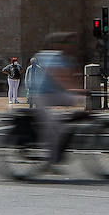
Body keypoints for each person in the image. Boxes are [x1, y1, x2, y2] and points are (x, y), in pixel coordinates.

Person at [29, 33, 81, 168]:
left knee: (74, 103)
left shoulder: (65, 59)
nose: (71, 46)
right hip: (41, 96)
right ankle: (50, 162)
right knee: (52, 128)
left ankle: (65, 133)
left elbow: (71, 78)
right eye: (67, 43)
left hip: (53, 94)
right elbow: (61, 78)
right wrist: (78, 91)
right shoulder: (51, 57)